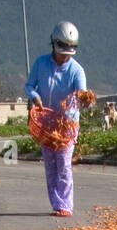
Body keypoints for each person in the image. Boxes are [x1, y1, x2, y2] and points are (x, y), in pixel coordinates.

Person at [25, 21, 87, 217]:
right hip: (46, 122)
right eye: (61, 52)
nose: (64, 57)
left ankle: (66, 205)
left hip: (66, 124)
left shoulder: (76, 70)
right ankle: (56, 203)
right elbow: (29, 86)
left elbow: (81, 94)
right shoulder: (40, 63)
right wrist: (34, 97)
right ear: (53, 44)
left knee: (64, 163)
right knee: (50, 165)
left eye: (68, 54)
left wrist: (84, 99)